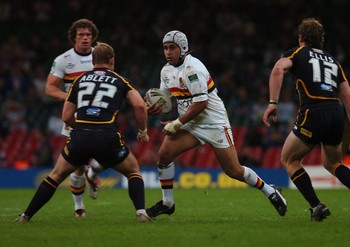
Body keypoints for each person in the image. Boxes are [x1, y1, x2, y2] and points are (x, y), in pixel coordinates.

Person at [145, 30, 287, 219]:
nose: (168, 52)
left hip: (214, 123)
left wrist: (177, 122)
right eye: (165, 48)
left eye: (172, 48)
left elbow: (201, 103)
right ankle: (167, 203)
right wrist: (156, 107)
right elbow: (166, 98)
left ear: (183, 49)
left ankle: (270, 191)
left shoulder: (193, 68)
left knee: (234, 171)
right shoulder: (166, 71)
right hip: (191, 123)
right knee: (164, 154)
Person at [15, 42, 151, 223]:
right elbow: (140, 105)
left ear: (93, 60)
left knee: (55, 176)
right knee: (133, 171)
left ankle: (26, 216)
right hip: (107, 136)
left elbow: (66, 116)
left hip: (80, 137)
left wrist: (81, 127)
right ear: (112, 60)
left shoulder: (79, 80)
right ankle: (141, 213)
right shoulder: (120, 80)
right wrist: (142, 130)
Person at [263, 18, 350, 222]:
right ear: (321, 40)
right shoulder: (334, 61)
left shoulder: (296, 53)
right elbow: (349, 99)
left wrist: (273, 103)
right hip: (336, 112)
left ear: (301, 38)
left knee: (289, 159)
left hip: (313, 111)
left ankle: (317, 206)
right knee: (333, 163)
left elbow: (278, 70)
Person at [45, 18, 103, 217]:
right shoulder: (63, 60)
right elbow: (50, 88)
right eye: (81, 35)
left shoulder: (100, 54)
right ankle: (79, 207)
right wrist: (70, 97)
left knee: (105, 153)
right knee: (77, 165)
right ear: (74, 38)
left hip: (101, 114)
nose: (85, 39)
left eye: (88, 35)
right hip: (75, 116)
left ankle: (93, 171)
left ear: (93, 37)